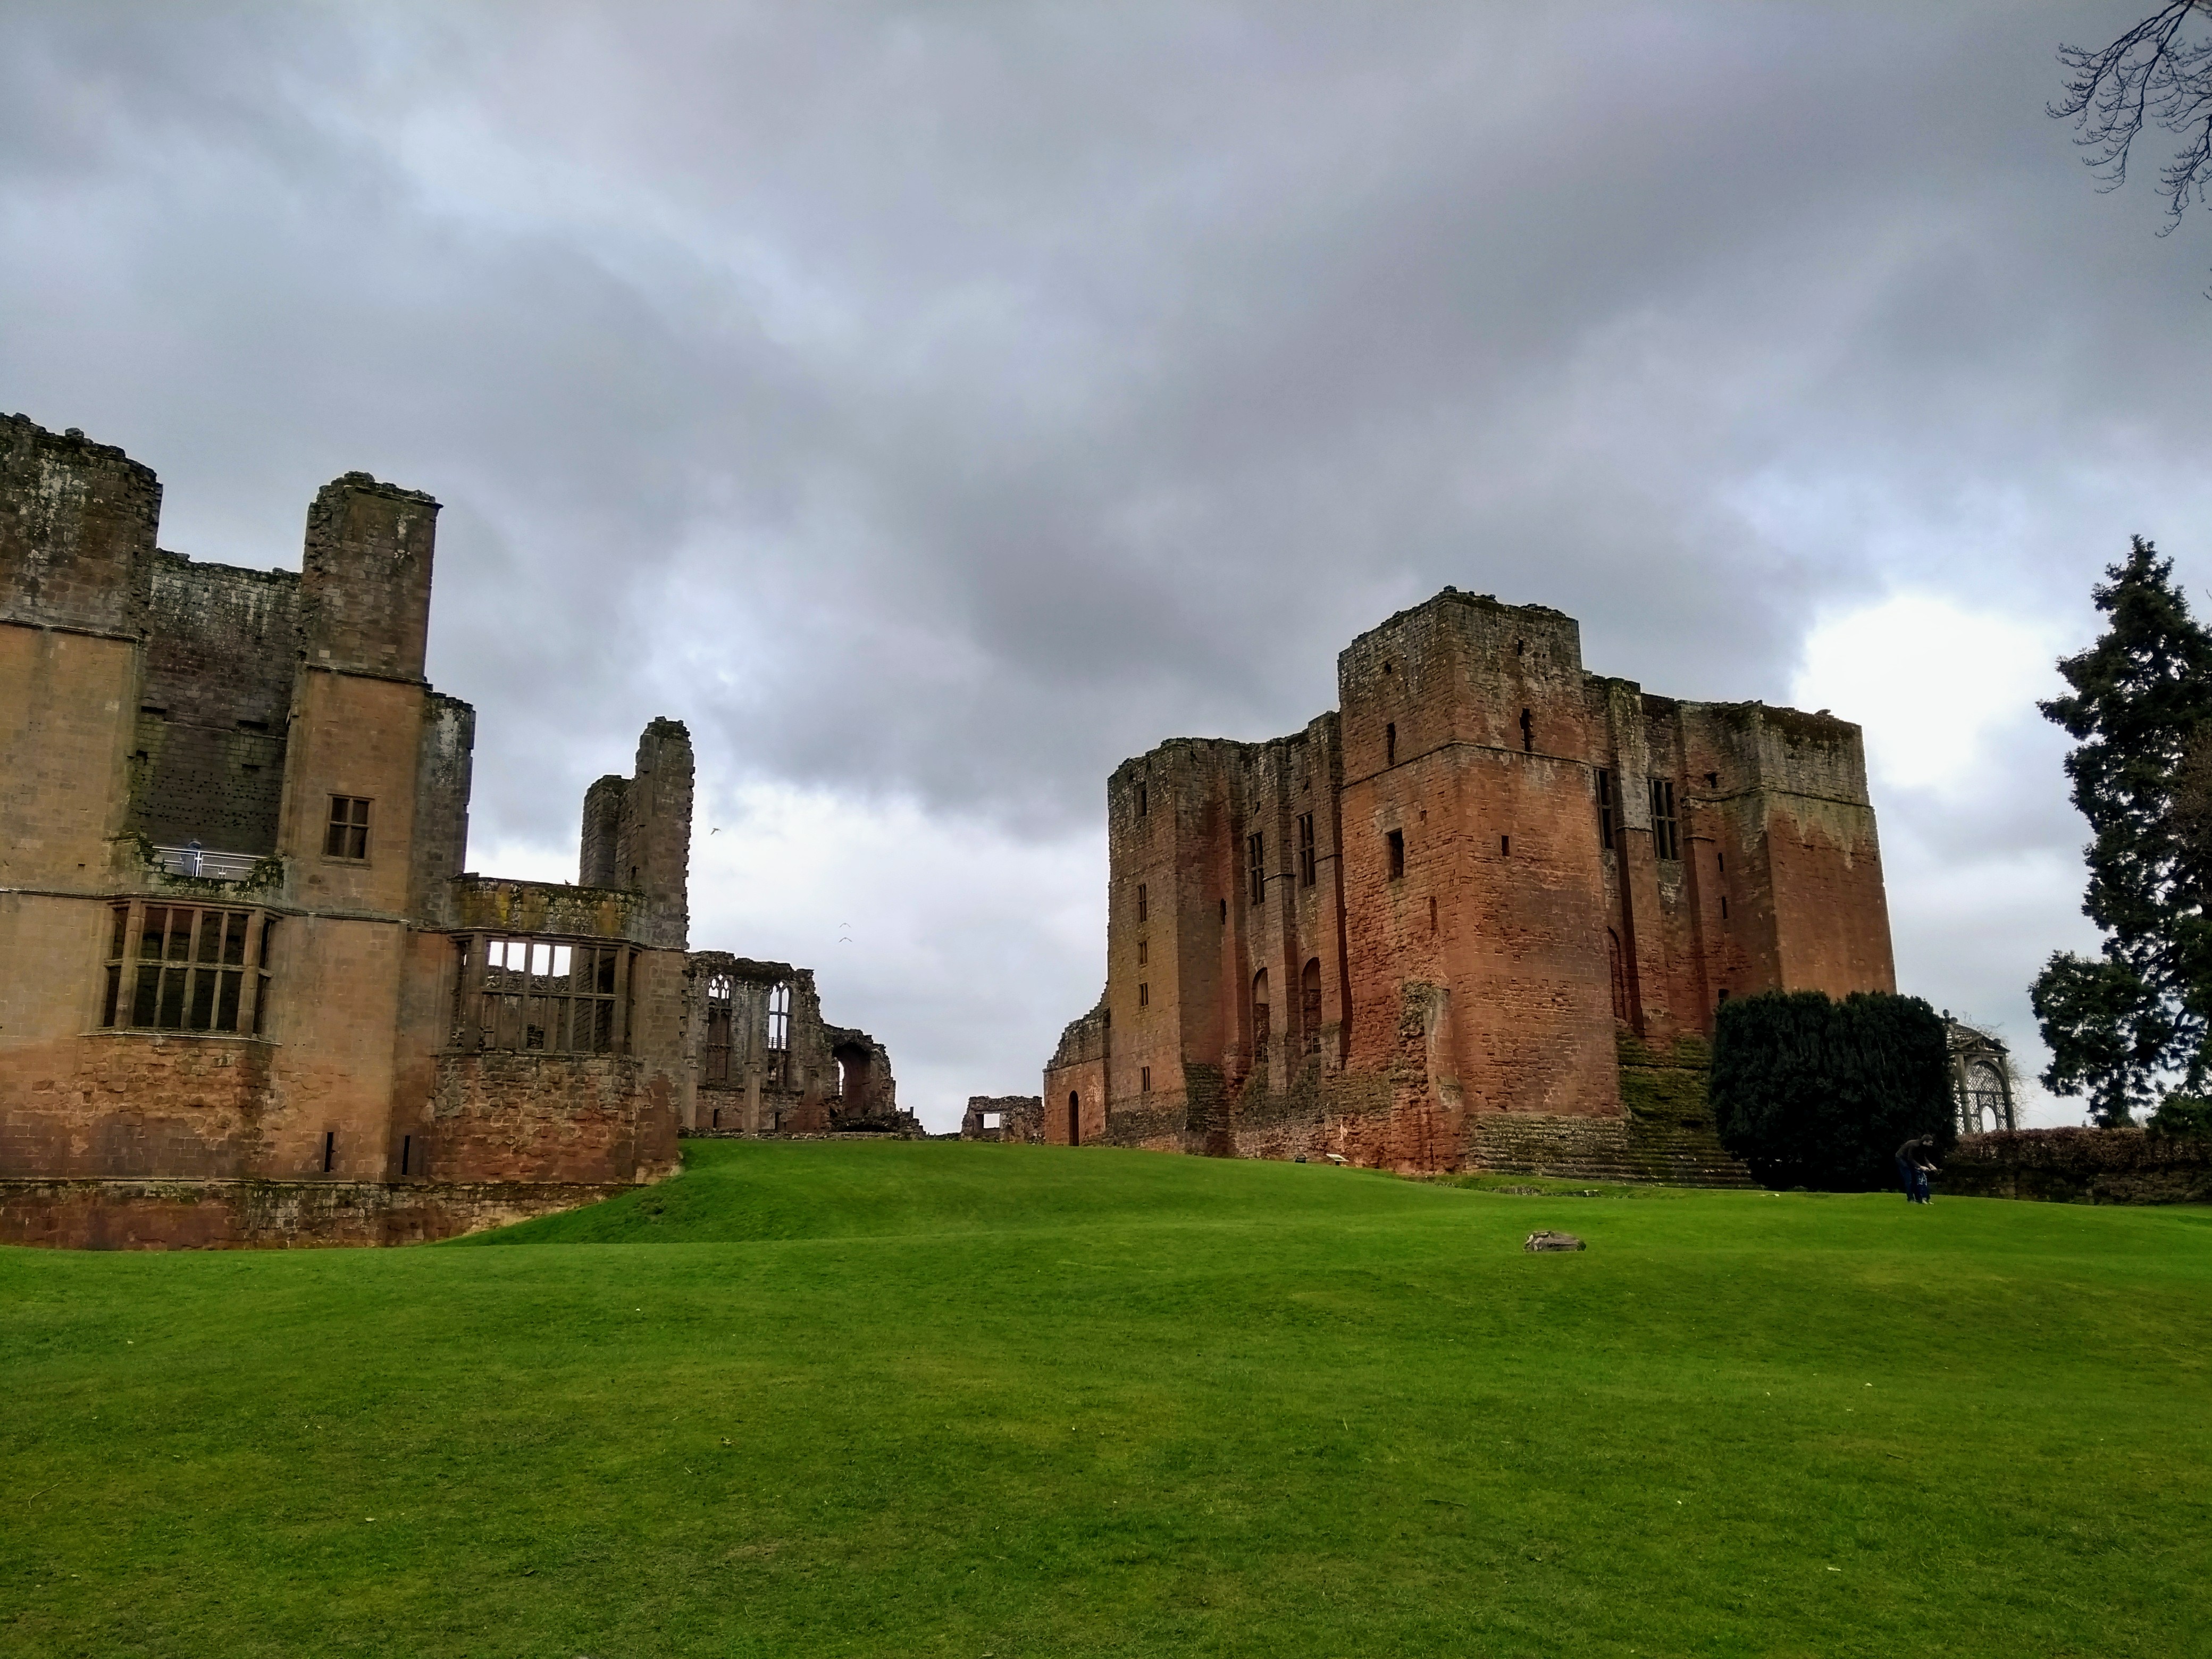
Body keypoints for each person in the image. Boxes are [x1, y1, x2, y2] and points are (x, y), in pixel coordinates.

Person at [1896, 1135, 1938, 1204]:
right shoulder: (1914, 1145)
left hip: (1909, 1160)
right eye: (1930, 1143)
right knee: (1909, 1179)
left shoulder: (1924, 1147)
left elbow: (1923, 1157)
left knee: (1915, 1179)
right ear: (1925, 1142)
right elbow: (1910, 1158)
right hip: (1901, 1159)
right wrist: (1920, 1167)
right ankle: (1911, 1199)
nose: (1931, 1145)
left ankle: (1919, 1199)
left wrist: (1930, 1165)